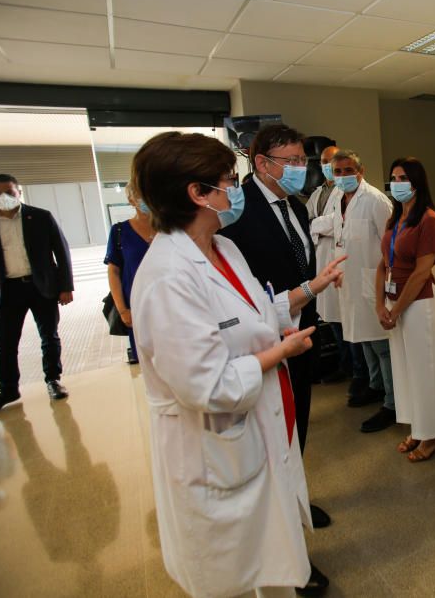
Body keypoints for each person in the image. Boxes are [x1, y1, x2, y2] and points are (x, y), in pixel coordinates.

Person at [129, 131, 344, 598]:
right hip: (216, 450)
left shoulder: (224, 250)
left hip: (261, 428)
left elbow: (258, 314)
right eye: (229, 180)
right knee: (238, 578)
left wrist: (285, 321)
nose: (237, 188)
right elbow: (207, 387)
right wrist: (278, 353)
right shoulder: (167, 276)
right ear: (198, 193)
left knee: (271, 567)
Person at [218, 123, 332, 594]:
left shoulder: (296, 206)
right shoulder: (236, 217)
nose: (298, 170)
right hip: (262, 347)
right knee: (273, 443)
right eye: (290, 161)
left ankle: (298, 501)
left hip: (297, 335)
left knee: (296, 428)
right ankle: (286, 551)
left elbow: (298, 262)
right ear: (261, 163)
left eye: (302, 161)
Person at [0, 174, 73, 418]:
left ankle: (53, 380)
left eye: (9, 191)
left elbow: (61, 250)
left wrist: (65, 286)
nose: (4, 197)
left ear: (19, 192)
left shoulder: (40, 216)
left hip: (41, 287)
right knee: (4, 343)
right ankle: (8, 389)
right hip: (6, 290)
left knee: (49, 335)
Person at [375, 157, 435, 460]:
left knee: (424, 372)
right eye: (393, 177)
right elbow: (383, 264)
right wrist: (380, 304)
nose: (396, 183)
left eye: (402, 177)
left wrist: (397, 308)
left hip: (419, 304)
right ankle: (419, 428)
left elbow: (421, 272)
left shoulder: (428, 219)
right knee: (406, 371)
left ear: (416, 182)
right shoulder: (396, 218)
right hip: (396, 304)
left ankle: (433, 436)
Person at [325, 150, 395, 431]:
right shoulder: (336, 199)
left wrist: (388, 285)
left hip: (371, 283)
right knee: (361, 339)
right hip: (349, 281)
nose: (343, 176)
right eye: (337, 171)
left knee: (380, 345)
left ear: (361, 170)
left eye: (348, 170)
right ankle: (375, 386)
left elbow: (390, 245)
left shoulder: (376, 200)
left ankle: (392, 403)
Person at [306, 144, 355, 386]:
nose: (328, 167)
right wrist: (317, 224)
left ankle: (355, 371)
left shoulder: (347, 194)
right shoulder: (318, 193)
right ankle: (345, 366)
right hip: (322, 261)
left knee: (347, 322)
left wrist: (317, 224)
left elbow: (335, 222)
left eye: (332, 162)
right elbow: (308, 220)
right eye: (324, 162)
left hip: (339, 262)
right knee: (334, 322)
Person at [104, 181, 155, 365]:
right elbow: (114, 272)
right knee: (147, 363)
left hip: (169, 303)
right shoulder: (120, 231)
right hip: (137, 308)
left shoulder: (169, 228)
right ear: (131, 200)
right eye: (141, 196)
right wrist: (123, 309)